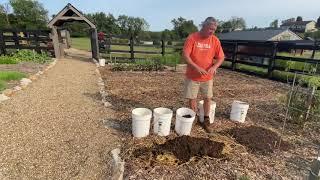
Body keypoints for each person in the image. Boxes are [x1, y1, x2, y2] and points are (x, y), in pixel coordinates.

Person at [182, 17, 225, 133]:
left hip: (207, 77)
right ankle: (194, 118)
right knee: (192, 98)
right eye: (210, 29)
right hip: (192, 75)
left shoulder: (215, 40)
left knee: (208, 98)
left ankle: (206, 120)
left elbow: (221, 57)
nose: (212, 31)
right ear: (204, 26)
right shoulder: (192, 38)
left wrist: (214, 67)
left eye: (214, 29)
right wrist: (196, 67)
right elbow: (185, 55)